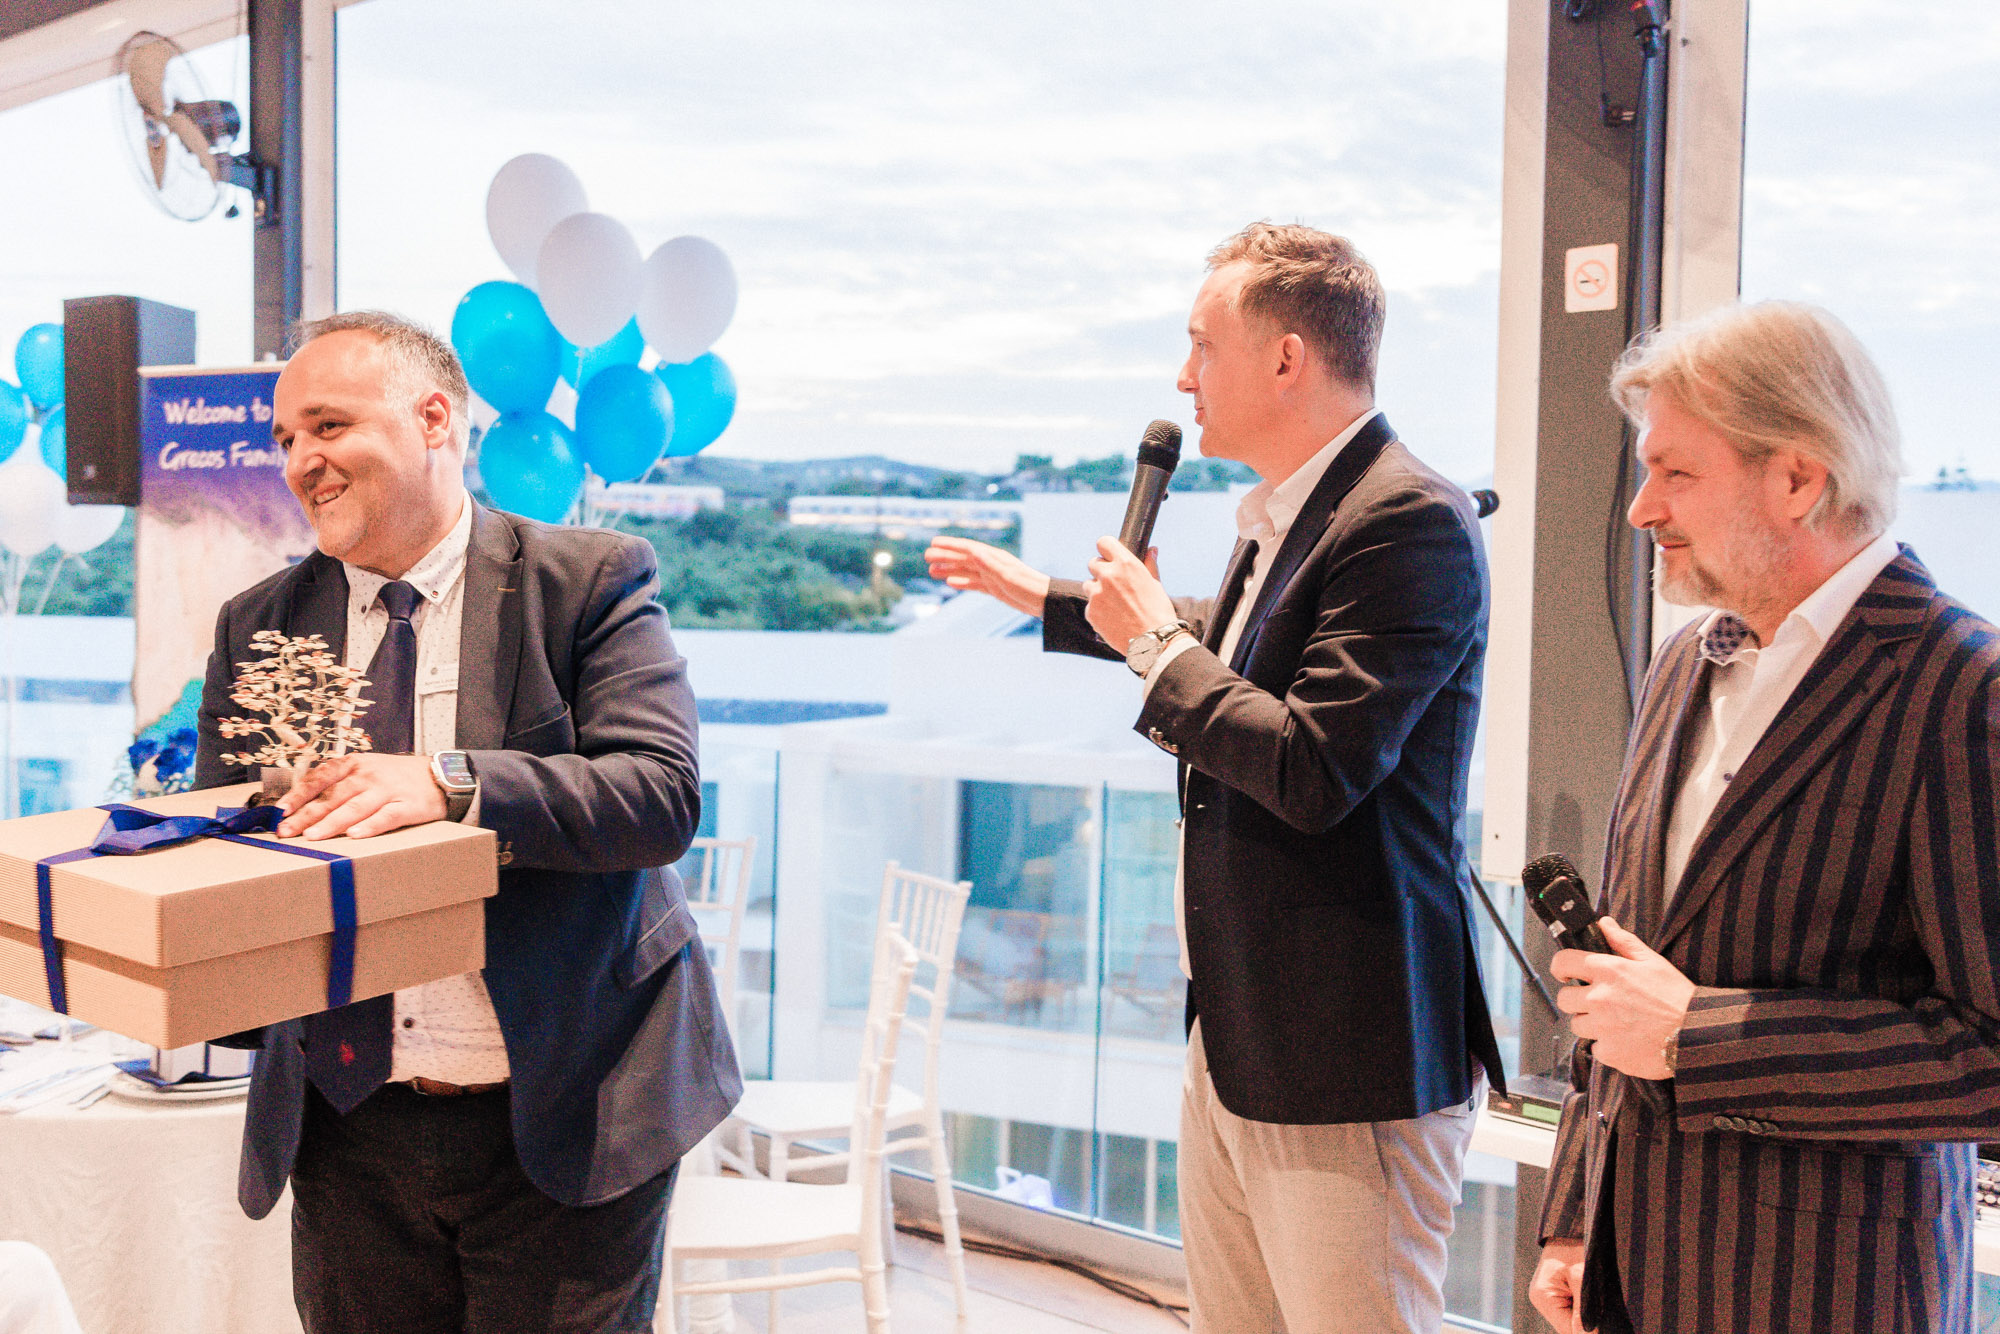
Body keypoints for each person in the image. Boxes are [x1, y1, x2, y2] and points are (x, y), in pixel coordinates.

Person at [928, 222, 1504, 1333]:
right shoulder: (1292, 510)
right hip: (1239, 1031)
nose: (1182, 377)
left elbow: (1313, 764)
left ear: (1287, 358)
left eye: (1202, 345)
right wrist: (1049, 599)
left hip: (1346, 1053)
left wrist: (1152, 644)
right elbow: (1231, 641)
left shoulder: (1407, 518)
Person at [192, 311, 740, 1334]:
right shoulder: (258, 622)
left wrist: (449, 783)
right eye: (285, 439)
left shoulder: (586, 581)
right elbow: (223, 837)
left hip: (565, 1108)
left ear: (434, 418)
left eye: (328, 426)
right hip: (347, 1124)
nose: (300, 461)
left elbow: (659, 793)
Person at [1528, 301, 2000, 1334]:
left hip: (1828, 1295)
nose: (1640, 509)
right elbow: (1622, 977)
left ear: (1797, 478)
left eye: (1675, 472)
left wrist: (1700, 1037)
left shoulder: (1963, 687)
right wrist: (1572, 1218)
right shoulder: (1680, 666)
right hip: (1632, 1273)